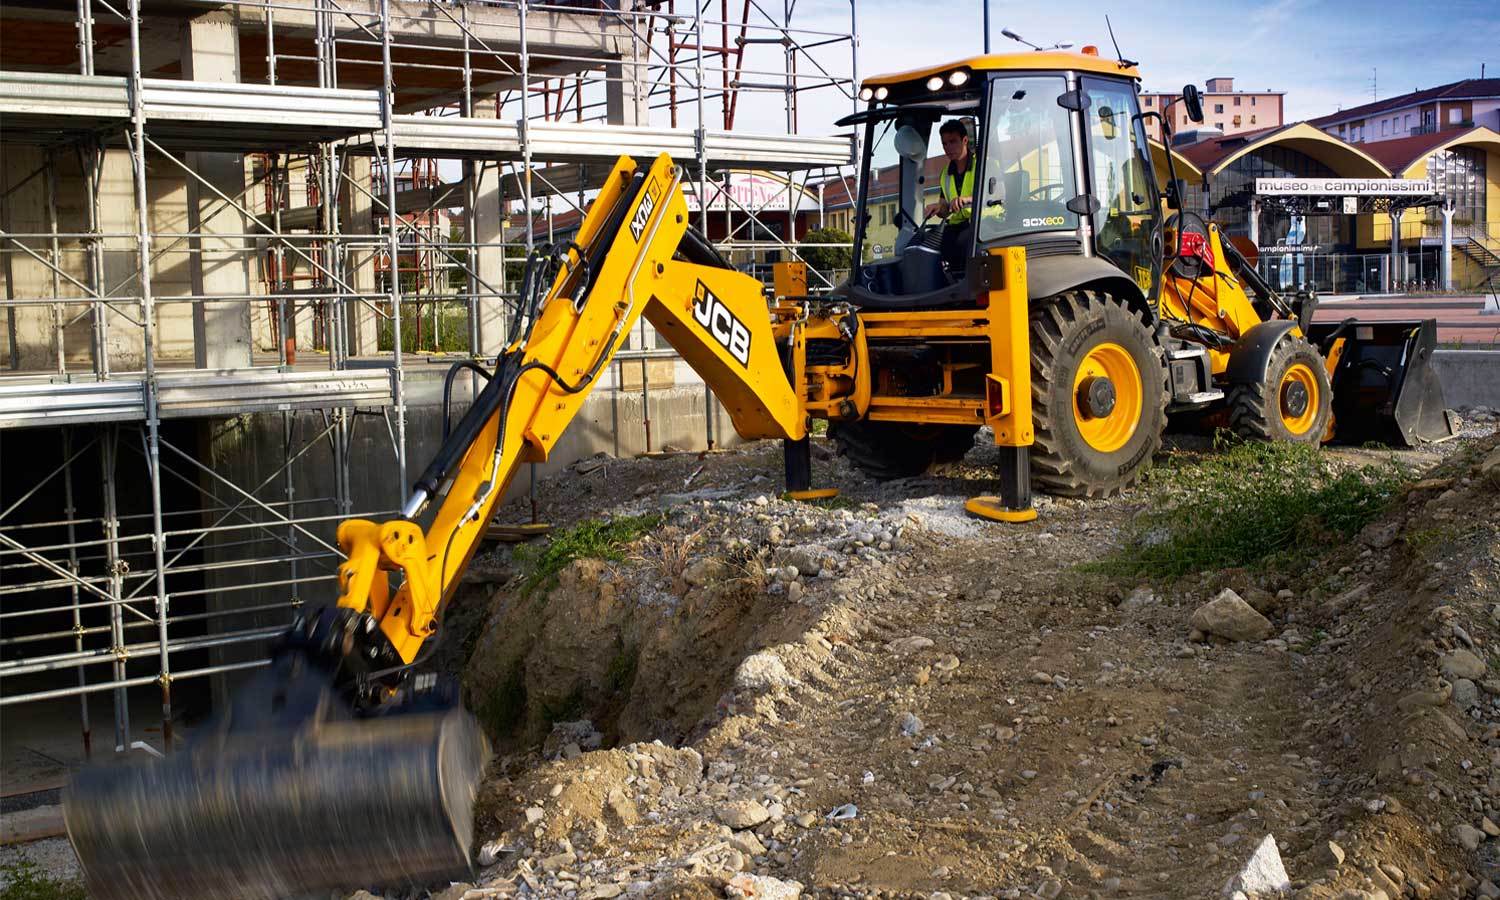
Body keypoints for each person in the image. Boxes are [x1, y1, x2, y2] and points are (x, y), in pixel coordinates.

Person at [924, 119, 975, 224]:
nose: (948, 148)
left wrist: (966, 200)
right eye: (945, 144)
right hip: (960, 225)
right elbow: (945, 210)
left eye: (953, 142)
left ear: (965, 140)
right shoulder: (945, 174)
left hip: (986, 226)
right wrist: (938, 208)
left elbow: (997, 195)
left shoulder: (985, 165)